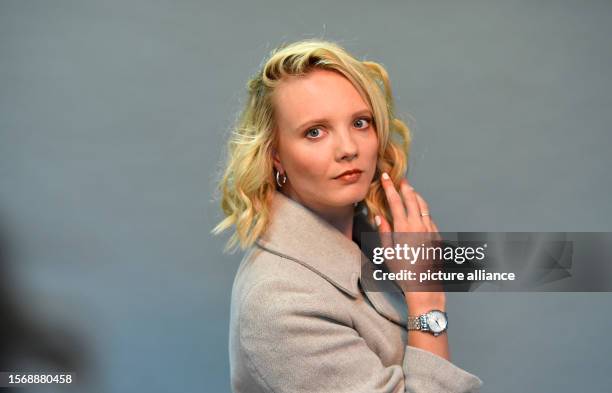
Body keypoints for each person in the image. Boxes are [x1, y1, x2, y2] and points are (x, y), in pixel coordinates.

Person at [212, 39, 483, 393]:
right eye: (315, 132)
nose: (348, 149)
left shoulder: (370, 245)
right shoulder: (279, 303)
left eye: (360, 123)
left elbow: (539, 263)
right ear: (275, 156)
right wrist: (426, 299)